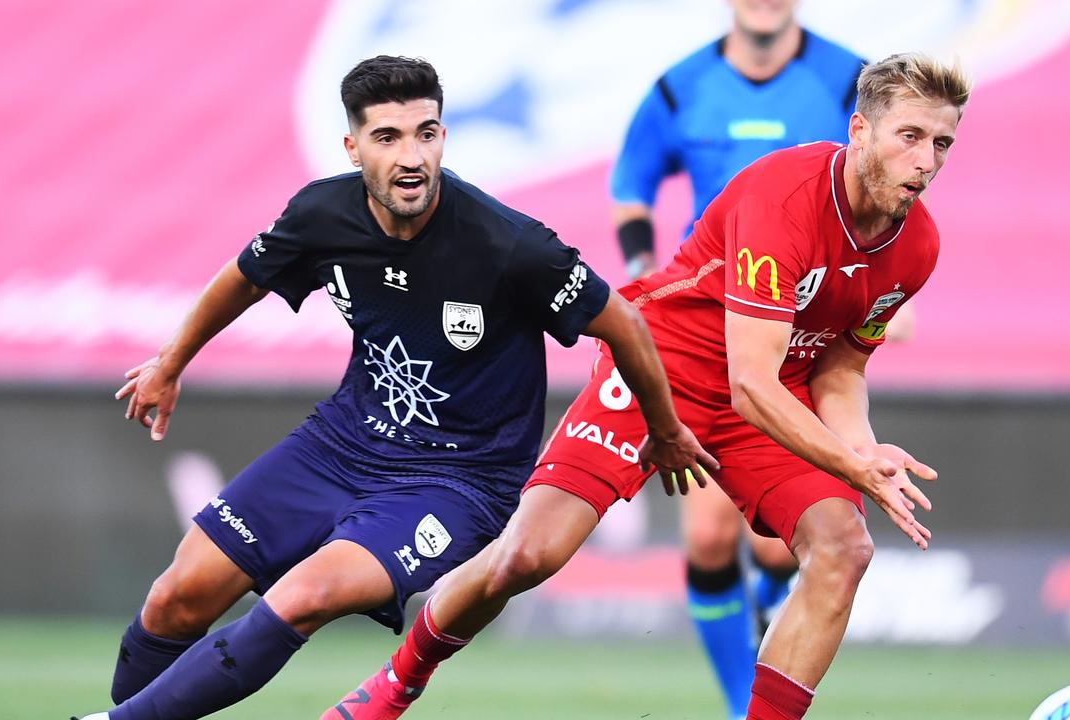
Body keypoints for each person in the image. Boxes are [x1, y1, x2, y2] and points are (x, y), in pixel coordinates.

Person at [326, 52, 970, 720]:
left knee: (843, 549)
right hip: (667, 365)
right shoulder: (785, 199)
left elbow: (840, 368)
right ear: (861, 131)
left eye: (942, 142)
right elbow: (750, 381)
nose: (926, 161)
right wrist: (853, 464)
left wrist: (863, 450)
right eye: (911, 137)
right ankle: (399, 680)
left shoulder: (917, 245)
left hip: (767, 393)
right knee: (528, 555)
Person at [72, 55, 713, 720]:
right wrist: (170, 362)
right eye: (388, 138)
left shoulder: (509, 243)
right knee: (178, 595)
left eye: (426, 133)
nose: (412, 157)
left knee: (300, 598)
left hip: (458, 481)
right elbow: (245, 276)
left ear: (443, 136)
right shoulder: (322, 214)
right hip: (341, 444)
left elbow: (627, 325)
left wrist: (664, 432)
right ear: (353, 147)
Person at [609, 2, 883, 714]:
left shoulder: (849, 80)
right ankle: (741, 704)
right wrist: (644, 271)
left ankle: (771, 634)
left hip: (801, 337)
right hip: (713, 329)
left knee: (777, 548)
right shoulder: (681, 86)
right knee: (705, 537)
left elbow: (886, 182)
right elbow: (630, 184)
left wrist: (878, 280)